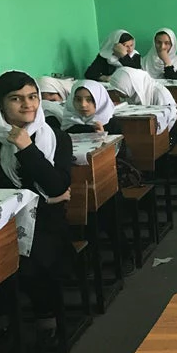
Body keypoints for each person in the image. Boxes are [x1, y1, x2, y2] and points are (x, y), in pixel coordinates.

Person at [0, 71, 73, 350]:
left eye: (32, 97)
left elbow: (56, 185)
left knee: (35, 257)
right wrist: (43, 198)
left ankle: (46, 316)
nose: (28, 105)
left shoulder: (55, 137)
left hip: (46, 223)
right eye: (16, 99)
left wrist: (26, 148)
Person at [61, 80, 136, 275]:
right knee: (81, 220)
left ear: (100, 100)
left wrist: (104, 139)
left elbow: (124, 156)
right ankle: (87, 261)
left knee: (110, 217)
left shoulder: (110, 121)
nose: (83, 105)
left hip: (108, 180)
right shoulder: (68, 125)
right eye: (78, 100)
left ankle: (124, 256)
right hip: (77, 183)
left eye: (89, 100)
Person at [109, 66, 177, 107]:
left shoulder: (159, 93)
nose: (116, 94)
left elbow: (166, 119)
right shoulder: (131, 92)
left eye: (118, 91)